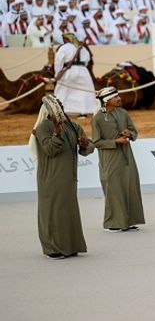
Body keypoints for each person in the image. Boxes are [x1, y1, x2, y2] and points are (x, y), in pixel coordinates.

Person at [31, 95, 94, 259]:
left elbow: (88, 147)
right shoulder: (43, 127)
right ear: (48, 110)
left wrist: (85, 144)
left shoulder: (73, 126)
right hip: (50, 179)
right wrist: (57, 135)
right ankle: (53, 248)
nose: (60, 107)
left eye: (60, 104)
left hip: (69, 178)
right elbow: (50, 150)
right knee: (53, 212)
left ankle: (70, 246)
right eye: (56, 105)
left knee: (68, 212)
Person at [91, 87, 145, 232]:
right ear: (107, 101)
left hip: (127, 157)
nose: (119, 99)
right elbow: (96, 142)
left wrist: (130, 134)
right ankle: (113, 223)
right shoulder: (97, 119)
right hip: (110, 159)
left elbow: (135, 132)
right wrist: (116, 142)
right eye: (115, 97)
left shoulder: (123, 113)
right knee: (114, 189)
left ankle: (130, 221)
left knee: (130, 187)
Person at [54, 32, 97, 116]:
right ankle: (85, 111)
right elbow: (87, 60)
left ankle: (61, 110)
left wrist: (57, 73)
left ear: (67, 39)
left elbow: (58, 61)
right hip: (83, 71)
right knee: (84, 92)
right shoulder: (83, 48)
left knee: (63, 90)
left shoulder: (64, 48)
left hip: (69, 70)